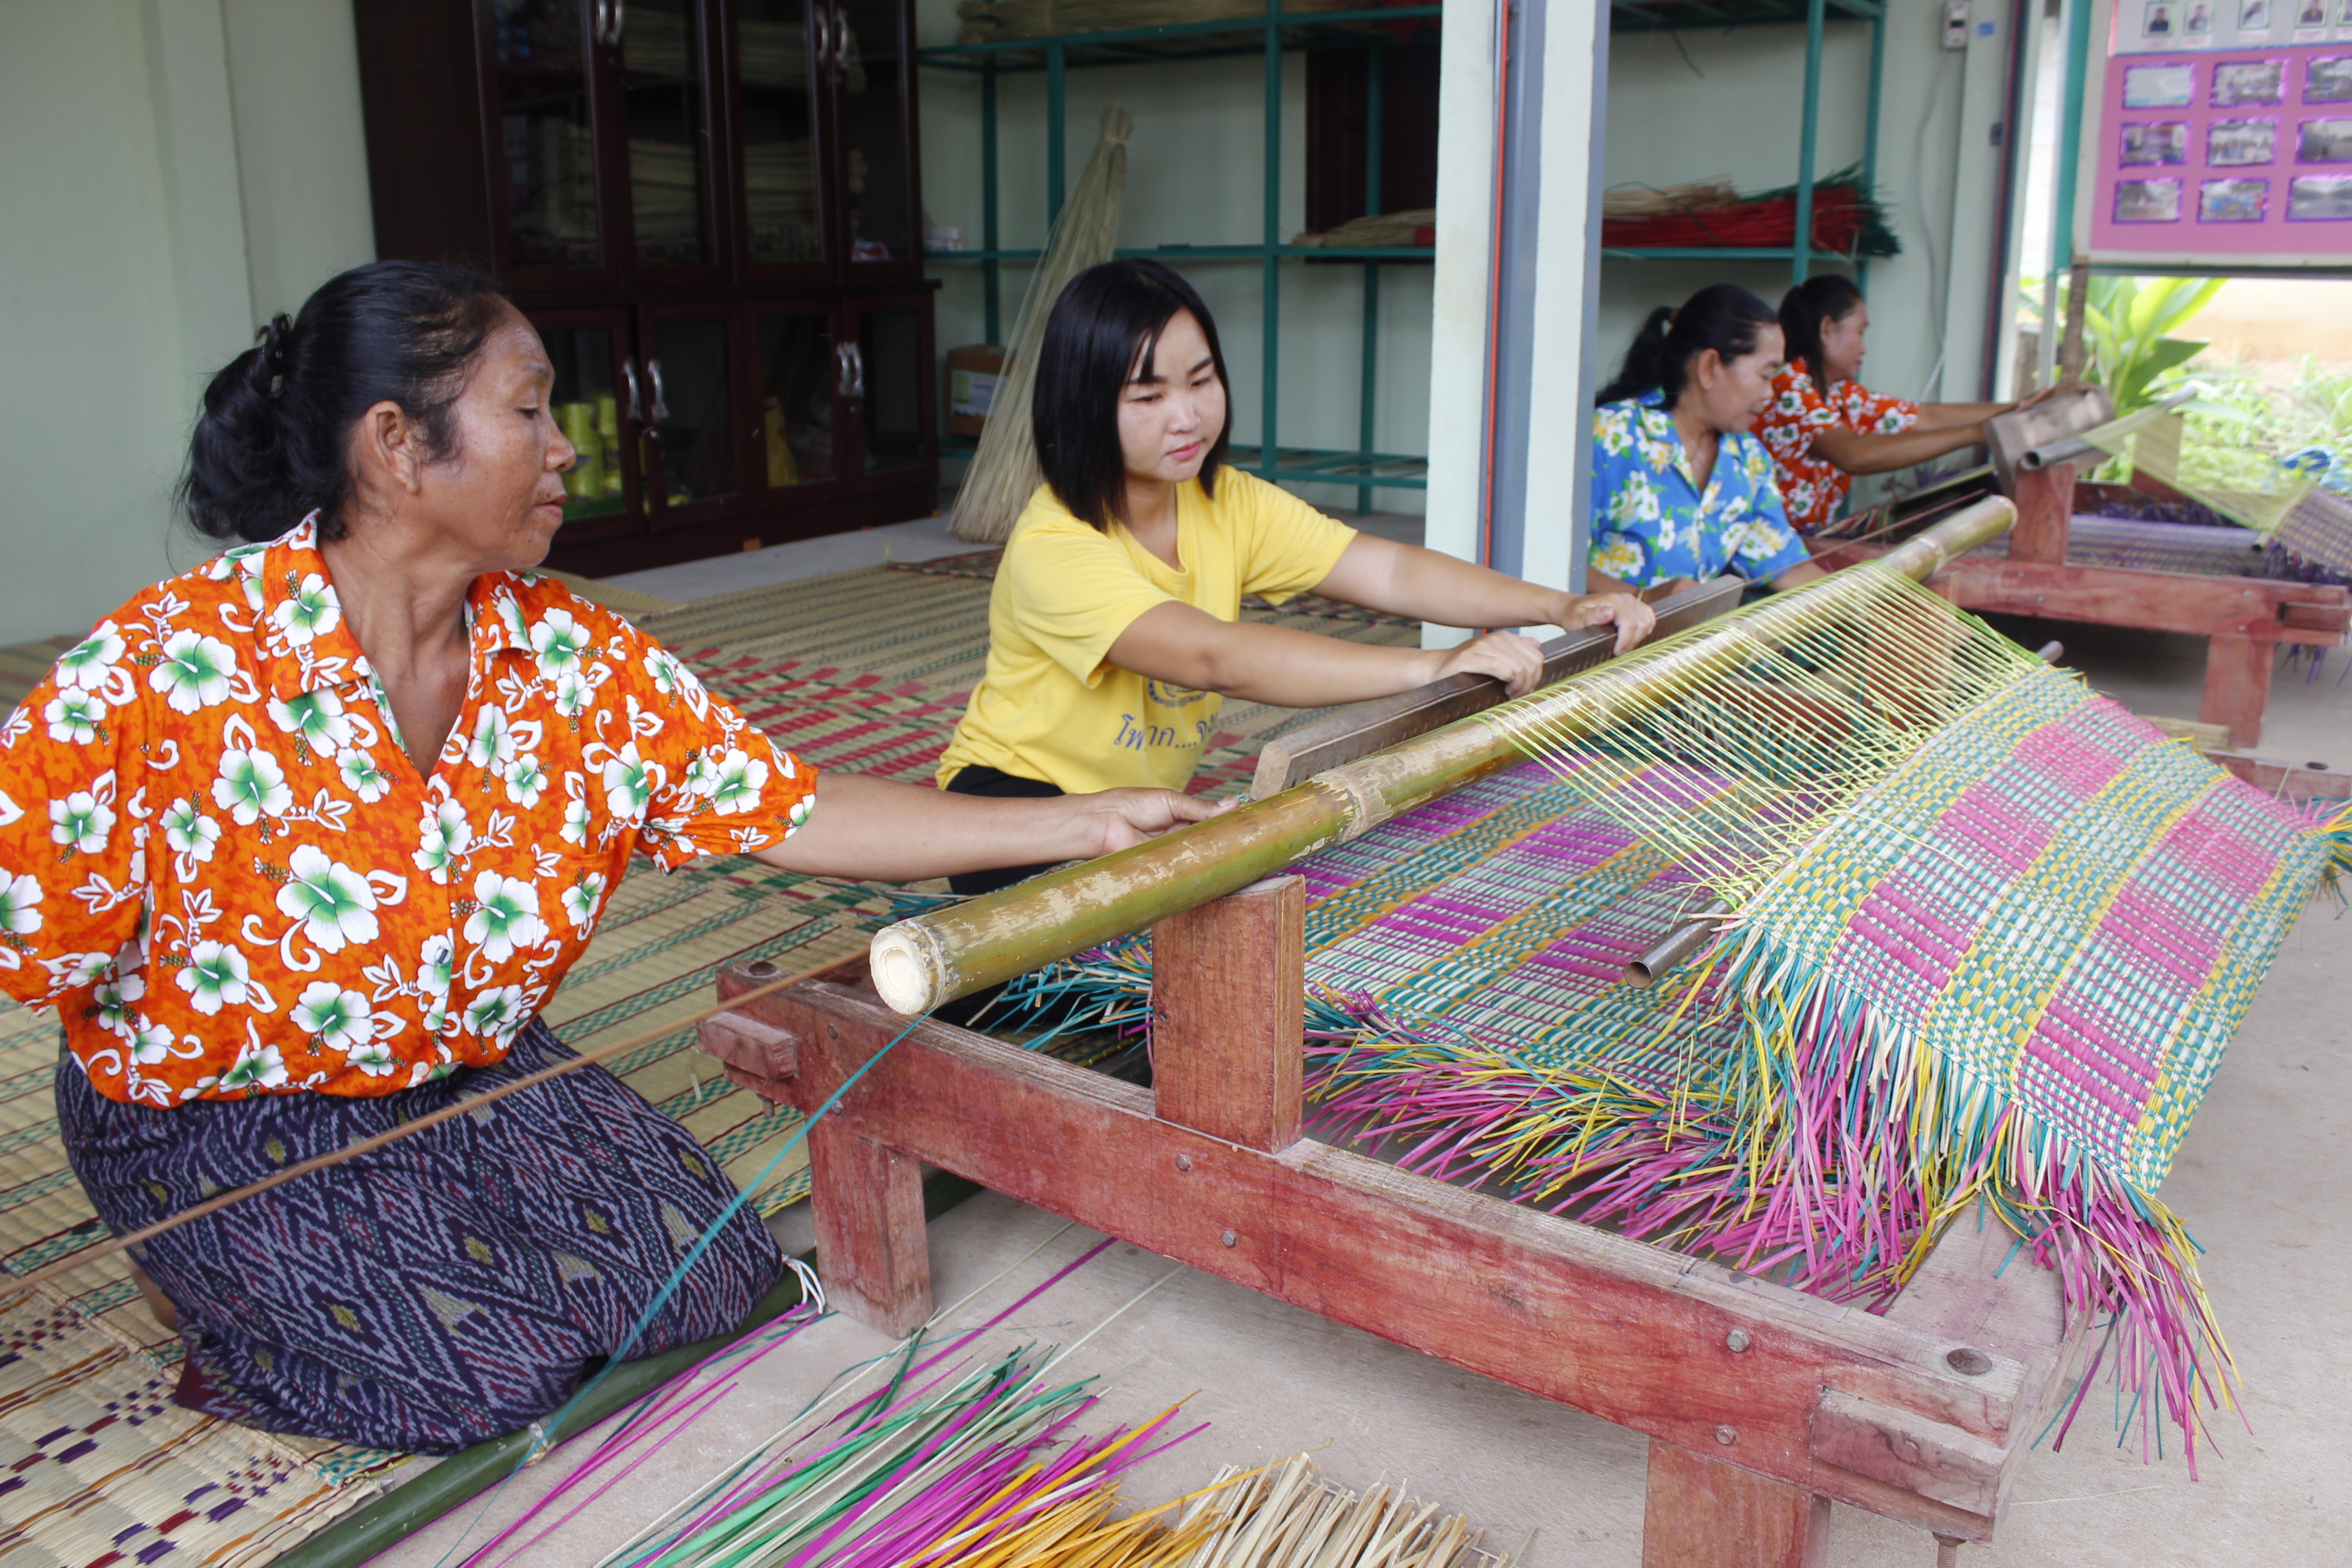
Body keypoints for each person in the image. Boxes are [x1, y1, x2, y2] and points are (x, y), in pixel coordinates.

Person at [4, 261, 1221, 1454]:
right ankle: (194, 1280)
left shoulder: (565, 654)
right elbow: (24, 916)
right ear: (395, 443)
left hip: (456, 1069)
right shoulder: (167, 667)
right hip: (214, 1112)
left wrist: (1083, 819)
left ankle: (365, 1236)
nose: (565, 444)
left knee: (710, 1280)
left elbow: (785, 807)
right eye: (527, 408)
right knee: (488, 1374)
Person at [935, 259, 1655, 894]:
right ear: (1085, 404)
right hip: (1017, 813)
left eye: (1201, 380)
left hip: (1134, 814)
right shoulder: (1053, 545)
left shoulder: (1226, 503)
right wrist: (1433, 665)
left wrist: (1558, 605)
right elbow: (1213, 656)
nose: (1186, 417)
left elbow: (1391, 569)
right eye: (1147, 396)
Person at [1754, 276, 2065, 537]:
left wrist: (2023, 409)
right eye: (1860, 332)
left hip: (1804, 544)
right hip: (1772, 554)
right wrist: (1977, 433)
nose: (1864, 347)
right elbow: (1854, 455)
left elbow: (1925, 416)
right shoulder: (1788, 387)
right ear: (1827, 329)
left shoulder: (1841, 396)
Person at [1586, 284, 1822, 600]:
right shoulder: (1611, 437)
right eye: (1766, 375)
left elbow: (1786, 567)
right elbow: (1553, 560)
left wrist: (1869, 601)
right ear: (1710, 367)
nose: (1769, 394)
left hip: (1685, 648)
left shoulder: (1748, 458)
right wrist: (1644, 599)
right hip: (1597, 644)